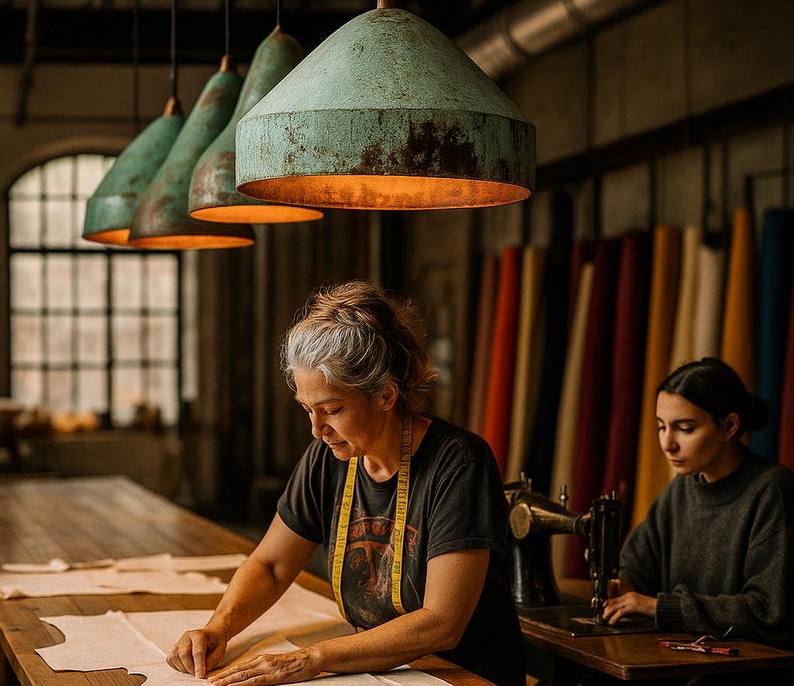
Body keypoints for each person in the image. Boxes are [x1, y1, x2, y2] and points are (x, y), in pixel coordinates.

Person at [167, 280, 525, 686]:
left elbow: (441, 623)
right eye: (307, 410)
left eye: (332, 409)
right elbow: (270, 565)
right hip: (382, 669)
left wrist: (314, 657)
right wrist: (219, 628)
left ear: (386, 395)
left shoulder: (459, 464)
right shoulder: (329, 455)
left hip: (460, 675)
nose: (317, 430)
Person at [602, 357, 794, 651]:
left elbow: (768, 611)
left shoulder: (773, 491)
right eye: (661, 427)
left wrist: (660, 607)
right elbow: (636, 567)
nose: (667, 443)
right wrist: (619, 586)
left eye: (685, 428)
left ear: (729, 426)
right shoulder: (679, 492)